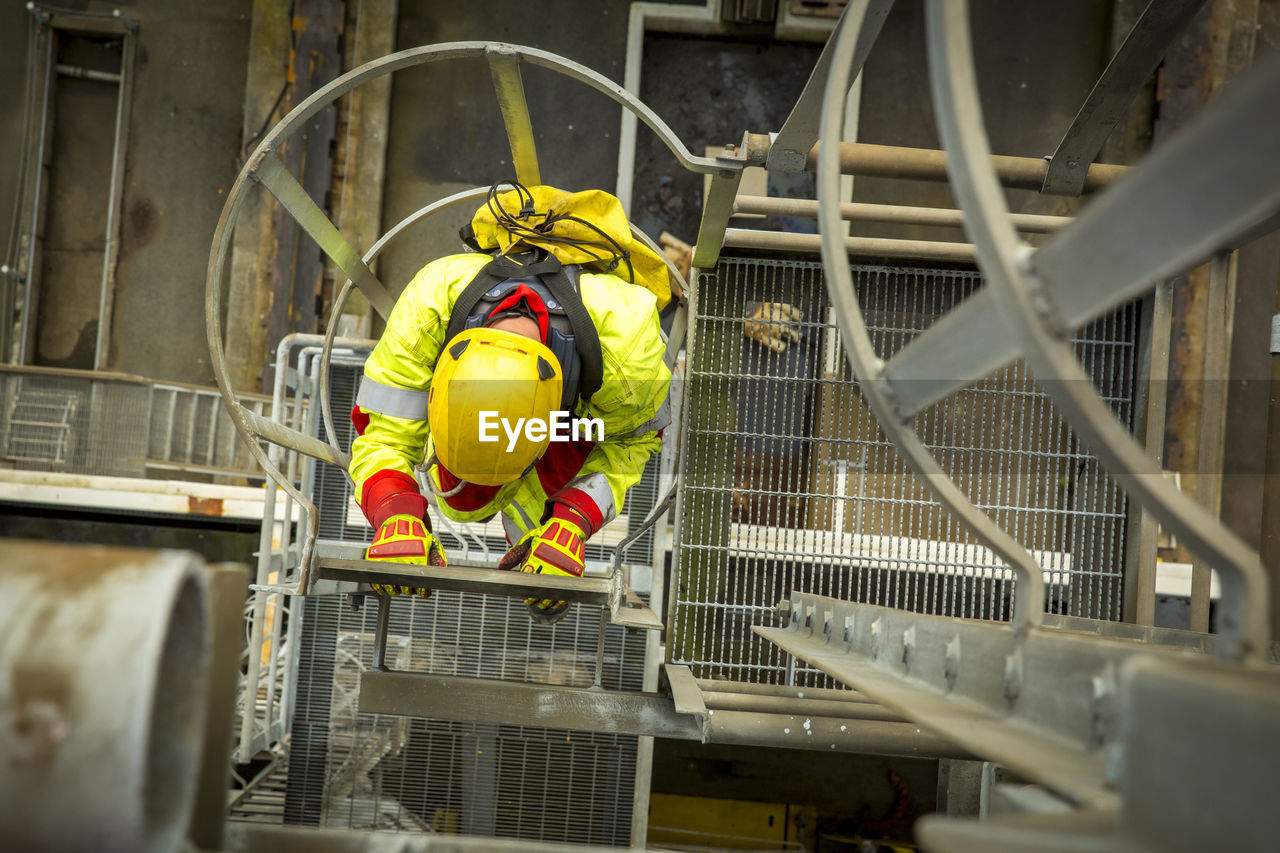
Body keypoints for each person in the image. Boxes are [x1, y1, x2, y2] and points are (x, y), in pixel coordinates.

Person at [348, 182, 674, 624]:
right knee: (464, 500)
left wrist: (571, 522)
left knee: (554, 491)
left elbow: (629, 447)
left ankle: (538, 532)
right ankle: (532, 546)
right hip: (553, 409)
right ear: (441, 384)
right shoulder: (431, 303)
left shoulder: (627, 351)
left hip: (580, 417)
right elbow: (383, 432)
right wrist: (394, 513)